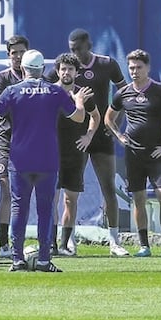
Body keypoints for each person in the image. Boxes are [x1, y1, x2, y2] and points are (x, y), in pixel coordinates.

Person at [0, 49, 90, 272]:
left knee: (18, 210)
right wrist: (79, 101)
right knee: (45, 211)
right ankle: (44, 260)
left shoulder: (12, 91)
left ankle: (17, 259)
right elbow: (79, 117)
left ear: (23, 68)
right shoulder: (55, 91)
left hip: (19, 160)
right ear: (43, 69)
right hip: (48, 160)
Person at [47, 29, 129, 256]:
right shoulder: (64, 68)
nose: (75, 53)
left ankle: (114, 242)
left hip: (100, 135)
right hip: (74, 141)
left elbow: (124, 94)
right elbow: (44, 91)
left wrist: (114, 125)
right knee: (68, 193)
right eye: (72, 49)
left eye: (78, 49)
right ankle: (68, 241)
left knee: (109, 188)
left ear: (88, 45)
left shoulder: (107, 64)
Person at [104, 49, 161, 258]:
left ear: (148, 68)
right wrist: (119, 136)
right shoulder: (123, 93)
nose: (134, 71)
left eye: (139, 67)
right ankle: (144, 246)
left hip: (156, 154)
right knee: (138, 199)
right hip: (134, 155)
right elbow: (108, 118)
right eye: (131, 68)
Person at [54, 52, 101, 257]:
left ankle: (65, 244)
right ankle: (50, 244)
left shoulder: (83, 94)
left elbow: (95, 116)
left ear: (76, 72)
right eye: (63, 69)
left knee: (70, 200)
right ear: (58, 71)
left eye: (70, 69)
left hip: (75, 153)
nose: (66, 72)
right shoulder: (49, 92)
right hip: (51, 153)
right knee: (51, 199)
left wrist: (89, 136)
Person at [0, 35, 29, 258]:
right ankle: (3, 244)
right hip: (6, 142)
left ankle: (25, 241)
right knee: (6, 191)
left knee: (26, 194)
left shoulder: (38, 79)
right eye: (13, 53)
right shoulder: (1, 78)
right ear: (8, 55)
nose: (17, 56)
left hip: (30, 143)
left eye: (21, 52)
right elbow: (3, 108)